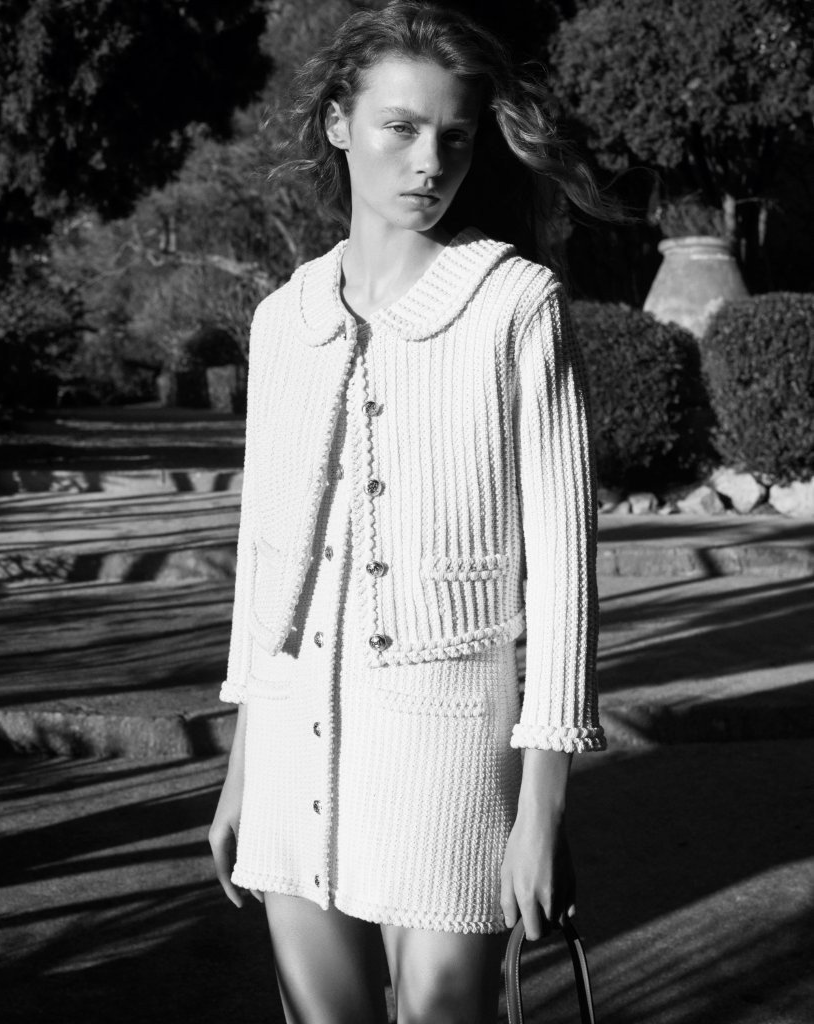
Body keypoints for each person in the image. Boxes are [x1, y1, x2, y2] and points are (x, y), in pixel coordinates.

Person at [209, 3, 617, 1022]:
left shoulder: (514, 304)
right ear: (338, 124)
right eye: (400, 126)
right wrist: (242, 770)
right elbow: (266, 562)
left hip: (447, 750)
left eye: (454, 135)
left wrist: (540, 807)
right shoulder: (283, 319)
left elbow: (564, 577)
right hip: (290, 741)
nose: (430, 161)